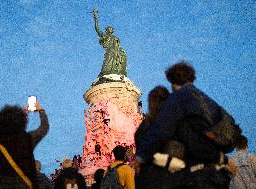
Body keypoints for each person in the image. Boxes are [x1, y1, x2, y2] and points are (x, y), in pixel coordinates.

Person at [136, 61, 240, 189]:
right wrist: (223, 158)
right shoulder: (205, 99)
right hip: (216, 173)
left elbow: (162, 131)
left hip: (197, 175)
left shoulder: (179, 97)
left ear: (172, 81)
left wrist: (140, 157)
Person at [0, 101, 49, 189]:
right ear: (22, 122)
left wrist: (19, 113)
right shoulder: (26, 140)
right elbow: (44, 128)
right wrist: (41, 110)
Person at [93, 8, 127, 77]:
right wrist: (96, 19)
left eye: (111, 29)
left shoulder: (115, 37)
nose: (110, 29)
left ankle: (119, 70)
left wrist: (120, 50)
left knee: (123, 55)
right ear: (107, 30)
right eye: (109, 28)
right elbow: (97, 29)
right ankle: (107, 71)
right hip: (110, 50)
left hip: (117, 51)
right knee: (110, 58)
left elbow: (118, 45)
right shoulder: (104, 35)